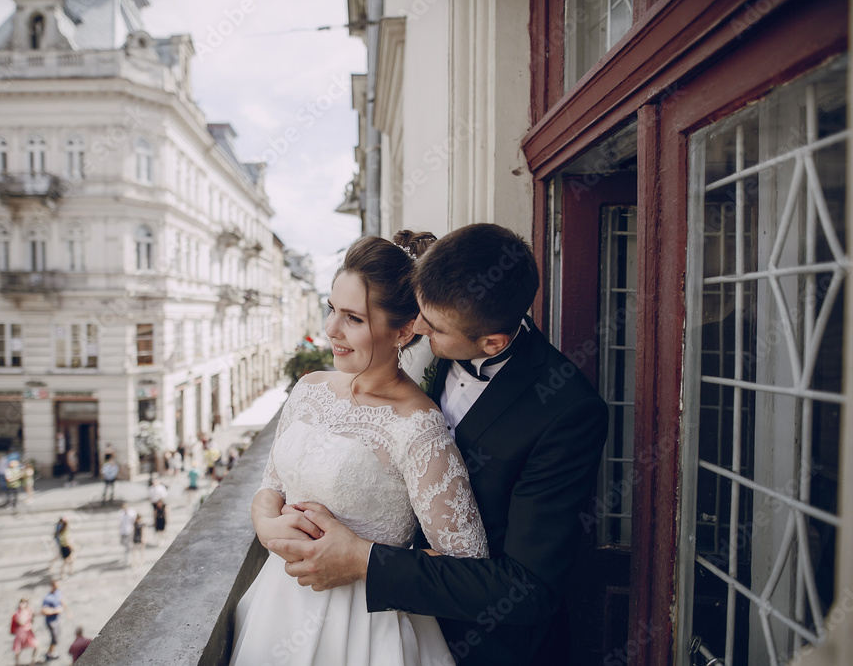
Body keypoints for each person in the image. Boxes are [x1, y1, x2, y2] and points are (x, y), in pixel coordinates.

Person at [271, 224, 610, 665]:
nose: (417, 330)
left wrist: (364, 561)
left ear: (492, 343)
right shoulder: (434, 333)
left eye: (432, 329)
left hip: (485, 644)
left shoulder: (567, 411)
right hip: (363, 624)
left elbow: (528, 588)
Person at [228, 235, 488, 666]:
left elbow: (467, 564)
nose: (331, 330)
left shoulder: (418, 427)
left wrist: (362, 559)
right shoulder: (309, 389)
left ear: (403, 331)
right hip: (274, 607)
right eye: (332, 309)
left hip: (362, 629)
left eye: (353, 318)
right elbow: (270, 487)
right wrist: (265, 526)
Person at [41, 579, 69, 661]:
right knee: (55, 637)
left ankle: (51, 651)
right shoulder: (48, 598)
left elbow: (62, 600)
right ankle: (50, 653)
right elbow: (44, 610)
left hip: (56, 619)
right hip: (51, 621)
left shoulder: (58, 592)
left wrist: (67, 612)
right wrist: (56, 610)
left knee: (56, 636)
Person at [10, 597, 38, 665]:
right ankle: (17, 662)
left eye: (26, 602)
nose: (24, 604)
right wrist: (23, 611)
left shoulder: (28, 611)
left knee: (36, 645)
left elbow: (33, 617)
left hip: (28, 631)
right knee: (18, 648)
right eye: (22, 602)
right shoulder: (17, 613)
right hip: (21, 632)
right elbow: (21, 622)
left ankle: (33, 660)